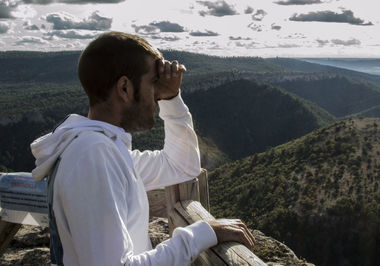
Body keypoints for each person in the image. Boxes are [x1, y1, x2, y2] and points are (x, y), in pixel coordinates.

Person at [30, 32, 255, 266]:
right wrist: (201, 233)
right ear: (125, 88)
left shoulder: (107, 149)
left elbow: (183, 167)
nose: (157, 95)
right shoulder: (94, 155)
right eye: (153, 83)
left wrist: (172, 97)